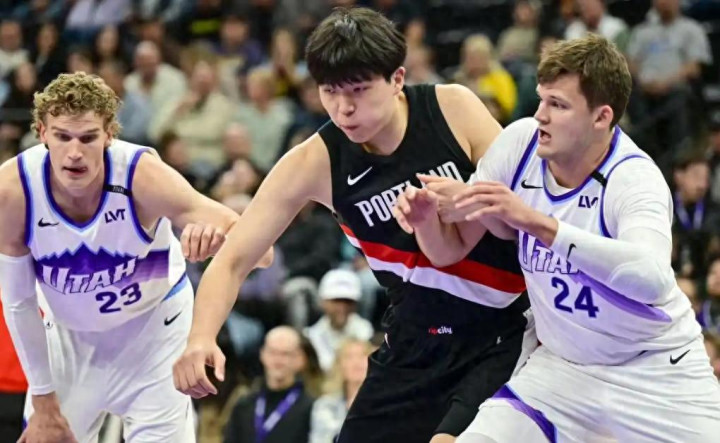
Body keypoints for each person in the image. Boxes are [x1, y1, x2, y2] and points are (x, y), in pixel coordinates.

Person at [174, 7, 534, 443]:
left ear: (397, 79)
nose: (344, 108)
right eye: (329, 91)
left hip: (503, 325)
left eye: (359, 90)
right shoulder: (314, 161)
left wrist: (468, 201)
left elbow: (522, 206)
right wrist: (200, 337)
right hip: (415, 339)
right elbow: (233, 260)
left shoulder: (453, 108)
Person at [394, 34, 720, 442]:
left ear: (601, 117)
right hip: (562, 371)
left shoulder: (634, 178)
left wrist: (536, 223)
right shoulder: (520, 144)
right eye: (541, 99)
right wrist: (426, 220)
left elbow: (652, 278)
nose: (540, 115)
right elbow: (450, 249)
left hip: (653, 370)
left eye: (558, 105)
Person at [0, 72, 273, 442]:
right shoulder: (14, 190)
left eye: (88, 137)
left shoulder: (141, 175)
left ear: (110, 134)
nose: (75, 152)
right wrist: (43, 399)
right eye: (63, 137)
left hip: (154, 333)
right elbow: (18, 302)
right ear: (41, 133)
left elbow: (262, 251)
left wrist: (218, 237)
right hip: (69, 338)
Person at [223, 326, 314, 443]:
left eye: (286, 354)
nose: (278, 361)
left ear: (301, 359)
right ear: (262, 355)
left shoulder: (311, 409)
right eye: (273, 352)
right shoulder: (244, 406)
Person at [304, 269, 373, 372]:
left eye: (348, 301)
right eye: (336, 301)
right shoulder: (311, 337)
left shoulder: (367, 334)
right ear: (323, 302)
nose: (342, 307)